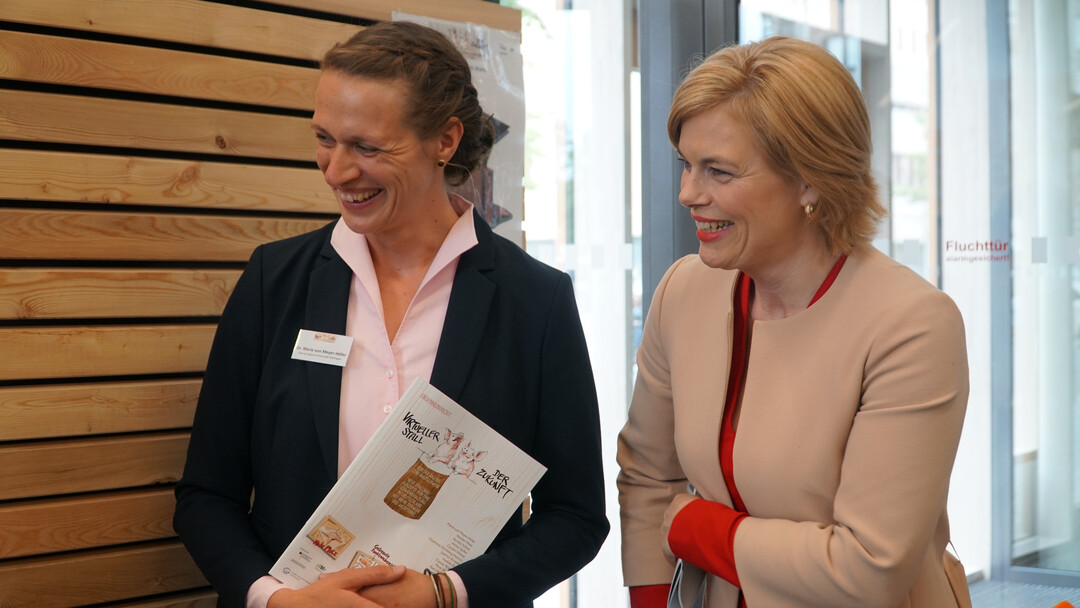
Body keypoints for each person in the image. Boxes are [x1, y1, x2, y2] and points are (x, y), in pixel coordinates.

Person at [174, 21, 608, 608]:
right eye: (325, 138)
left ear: (445, 140)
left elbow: (576, 517)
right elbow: (206, 496)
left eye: (368, 147)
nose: (336, 170)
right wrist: (276, 600)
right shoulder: (273, 283)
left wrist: (444, 593)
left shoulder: (535, 301)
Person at [616, 36, 971, 608]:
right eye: (686, 164)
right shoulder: (684, 291)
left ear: (810, 179)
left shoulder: (912, 325)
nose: (687, 193)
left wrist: (699, 531)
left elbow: (869, 568)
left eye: (719, 172)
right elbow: (647, 477)